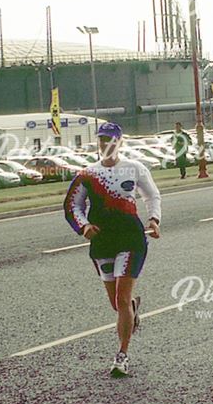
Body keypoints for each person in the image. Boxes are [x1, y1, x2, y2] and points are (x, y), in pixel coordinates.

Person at [64, 122, 162, 378]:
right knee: (117, 304)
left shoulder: (134, 168)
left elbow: (152, 196)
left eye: (111, 140)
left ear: (120, 142)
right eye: (102, 140)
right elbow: (72, 204)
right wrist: (83, 226)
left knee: (121, 298)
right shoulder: (87, 174)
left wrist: (154, 219)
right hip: (103, 242)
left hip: (131, 238)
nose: (106, 145)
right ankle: (132, 309)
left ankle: (122, 355)